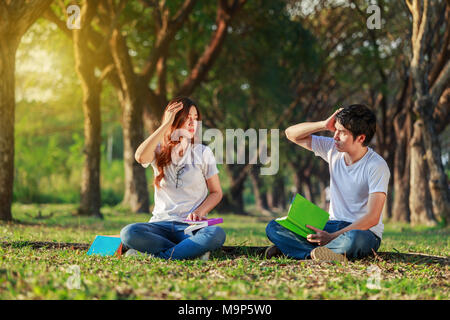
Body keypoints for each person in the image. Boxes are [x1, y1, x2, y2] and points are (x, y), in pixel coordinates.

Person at [265, 104, 390, 262]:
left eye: (342, 132)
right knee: (274, 227)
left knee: (354, 240)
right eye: (335, 130)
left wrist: (332, 237)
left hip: (361, 231)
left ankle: (296, 250)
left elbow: (372, 218)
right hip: (330, 225)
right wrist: (323, 124)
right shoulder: (332, 148)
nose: (335, 136)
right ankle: (317, 254)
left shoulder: (376, 166)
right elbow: (291, 134)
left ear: (361, 138)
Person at [120, 97, 226, 260]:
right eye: (187, 118)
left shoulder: (203, 152)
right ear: (173, 120)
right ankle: (188, 252)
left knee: (216, 233)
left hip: (190, 229)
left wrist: (200, 211)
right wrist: (165, 125)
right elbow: (140, 157)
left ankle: (159, 255)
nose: (192, 123)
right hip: (159, 226)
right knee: (129, 233)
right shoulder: (157, 150)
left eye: (195, 118)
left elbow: (216, 192)